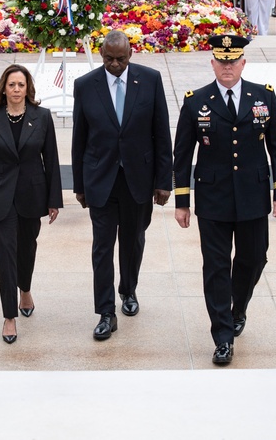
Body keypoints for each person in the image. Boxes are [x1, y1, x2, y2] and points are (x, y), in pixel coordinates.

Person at [172, 34, 276, 365]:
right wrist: (182, 201)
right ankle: (222, 336)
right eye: (221, 62)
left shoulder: (262, 98)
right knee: (216, 268)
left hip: (253, 196)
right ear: (212, 64)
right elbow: (182, 155)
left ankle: (238, 308)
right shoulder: (197, 101)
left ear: (243, 63)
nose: (227, 67)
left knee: (254, 259)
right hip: (213, 199)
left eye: (232, 61)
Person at [71, 30, 172, 341]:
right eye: (109, 59)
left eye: (121, 59)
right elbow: (79, 139)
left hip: (138, 180)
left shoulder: (151, 80)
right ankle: (105, 312)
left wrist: (163, 181)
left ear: (131, 54)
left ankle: (128, 290)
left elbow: (161, 133)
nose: (115, 65)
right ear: (102, 55)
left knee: (133, 241)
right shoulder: (85, 85)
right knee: (102, 248)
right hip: (100, 180)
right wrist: (79, 185)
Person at [0, 65, 61, 343]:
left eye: (21, 85)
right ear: (3, 88)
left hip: (31, 195)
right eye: (11, 85)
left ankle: (25, 289)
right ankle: (9, 316)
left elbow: (52, 161)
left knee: (26, 248)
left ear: (28, 88)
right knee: (4, 255)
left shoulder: (43, 117)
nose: (16, 90)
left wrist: (53, 200)